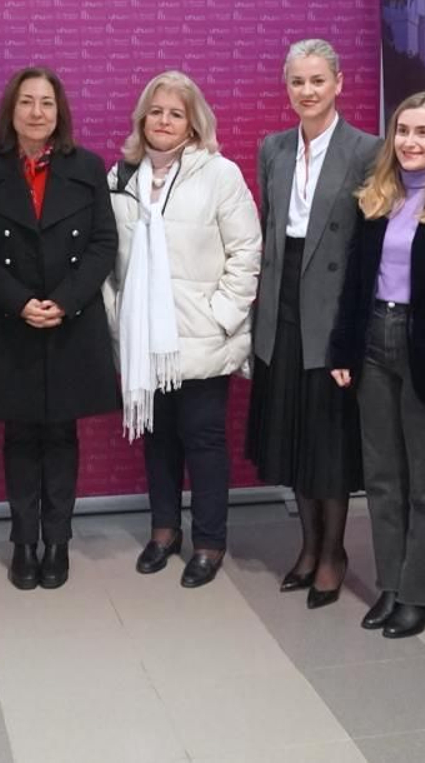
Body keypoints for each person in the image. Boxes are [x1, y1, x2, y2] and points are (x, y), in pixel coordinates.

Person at [0, 67, 120, 590]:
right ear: (11, 110)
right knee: (21, 435)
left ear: (60, 112)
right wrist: (21, 301)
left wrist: (63, 302)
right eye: (26, 102)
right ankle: (24, 543)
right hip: (11, 322)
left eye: (46, 103)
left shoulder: (88, 167)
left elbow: (102, 244)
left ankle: (59, 543)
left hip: (69, 321)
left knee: (62, 435)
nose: (36, 113)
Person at [328, 91, 425, 639]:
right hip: (374, 337)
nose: (411, 142)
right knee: (382, 478)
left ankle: (421, 595)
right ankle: (391, 585)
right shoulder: (376, 198)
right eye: (402, 131)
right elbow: (354, 282)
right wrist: (343, 350)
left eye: (424, 132)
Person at [107, 71, 261, 589]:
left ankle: (210, 542)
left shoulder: (220, 175)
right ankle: (164, 532)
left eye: (176, 113)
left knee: (203, 440)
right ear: (142, 119)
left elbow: (247, 252)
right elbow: (108, 260)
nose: (165, 121)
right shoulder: (120, 178)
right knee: (157, 439)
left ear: (193, 123)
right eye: (156, 112)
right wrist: (117, 316)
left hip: (201, 338)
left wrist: (220, 316)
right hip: (143, 340)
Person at [246, 39, 379, 608]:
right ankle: (306, 547)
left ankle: (334, 552)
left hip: (333, 302)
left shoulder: (367, 149)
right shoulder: (272, 148)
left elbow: (367, 246)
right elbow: (272, 228)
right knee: (294, 436)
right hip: (282, 300)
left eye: (317, 80)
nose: (307, 91)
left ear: (339, 83)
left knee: (328, 440)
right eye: (297, 81)